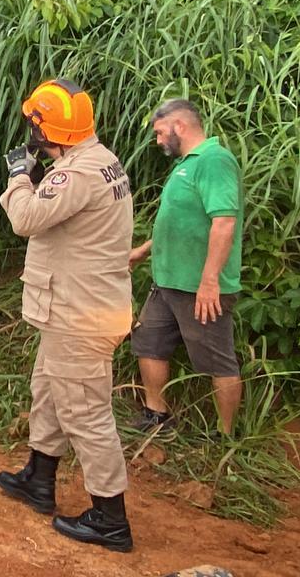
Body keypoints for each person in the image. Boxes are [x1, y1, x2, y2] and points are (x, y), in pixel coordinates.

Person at [0, 78, 134, 552]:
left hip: (80, 314)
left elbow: (25, 219)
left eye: (34, 125)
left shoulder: (74, 175)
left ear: (44, 130)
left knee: (86, 412)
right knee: (50, 391)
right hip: (79, 308)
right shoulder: (101, 160)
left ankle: (110, 518)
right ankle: (39, 477)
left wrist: (19, 175)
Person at [128, 99, 243, 436]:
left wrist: (210, 281)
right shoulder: (186, 164)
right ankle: (157, 415)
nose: (158, 140)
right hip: (167, 281)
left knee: (217, 361)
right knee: (148, 342)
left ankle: (225, 435)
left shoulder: (214, 160)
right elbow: (184, 220)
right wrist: (146, 250)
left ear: (179, 125)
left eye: (160, 132)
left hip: (199, 287)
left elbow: (224, 222)